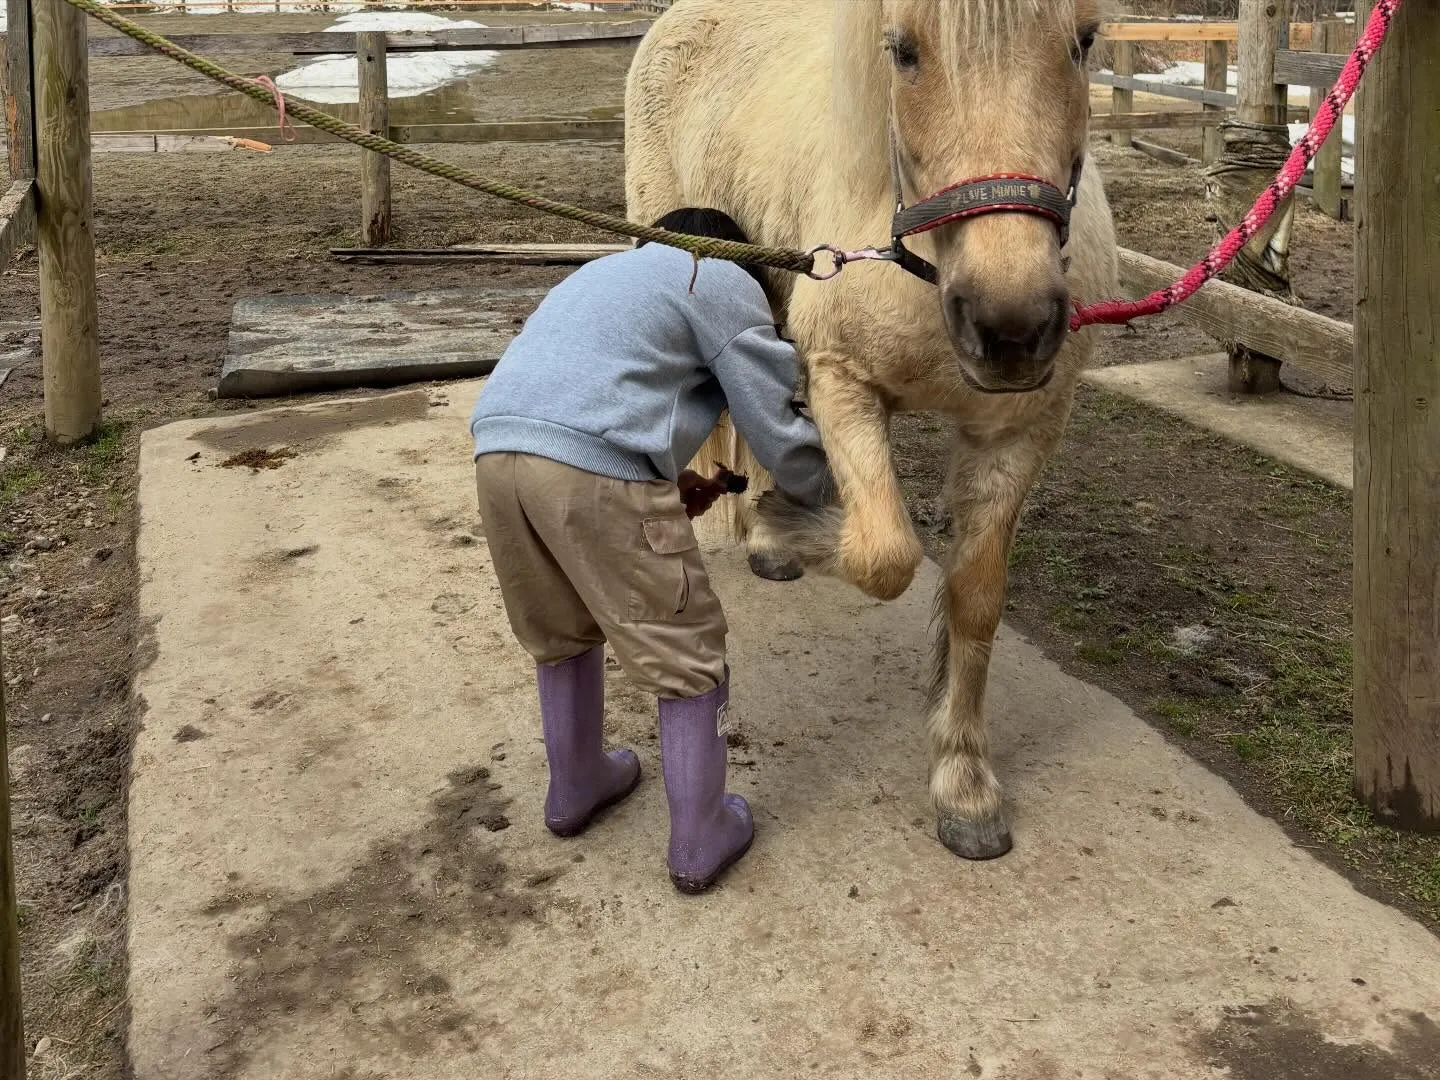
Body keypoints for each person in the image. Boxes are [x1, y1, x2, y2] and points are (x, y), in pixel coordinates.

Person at [470, 208, 833, 894]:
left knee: (562, 630)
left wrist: (664, 480)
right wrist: (831, 486)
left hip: (498, 451)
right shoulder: (716, 276)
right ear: (740, 256)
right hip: (593, 466)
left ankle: (575, 786)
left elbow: (594, 391)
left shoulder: (601, 275)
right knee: (688, 650)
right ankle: (700, 836)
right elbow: (773, 421)